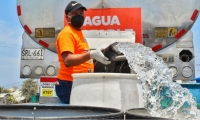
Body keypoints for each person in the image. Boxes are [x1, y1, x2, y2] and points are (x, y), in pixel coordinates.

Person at [55, 1, 111, 104]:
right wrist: (91, 54)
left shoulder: (78, 32)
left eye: (81, 13)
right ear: (67, 17)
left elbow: (81, 54)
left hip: (77, 82)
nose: (79, 16)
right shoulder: (67, 34)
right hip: (69, 84)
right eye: (75, 14)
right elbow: (67, 60)